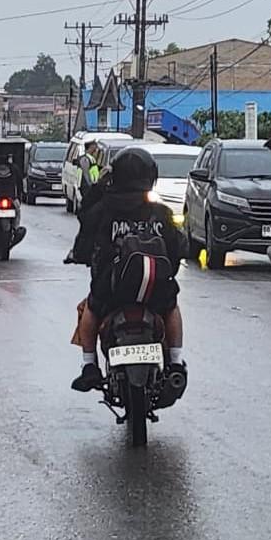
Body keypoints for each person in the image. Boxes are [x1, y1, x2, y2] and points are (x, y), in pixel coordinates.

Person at [68, 146, 187, 392]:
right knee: (171, 306)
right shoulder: (160, 211)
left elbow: (84, 236)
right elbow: (178, 248)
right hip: (156, 289)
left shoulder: (103, 210)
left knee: (91, 307)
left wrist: (80, 256)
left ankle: (90, 366)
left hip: (111, 290)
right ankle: (176, 363)